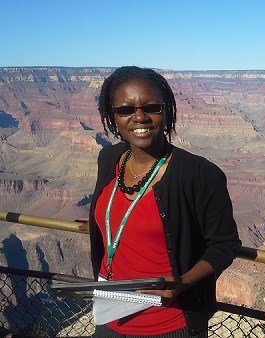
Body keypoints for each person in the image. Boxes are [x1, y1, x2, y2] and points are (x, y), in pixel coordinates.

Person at [89, 66, 241, 337]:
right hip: (110, 315)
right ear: (111, 117)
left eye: (152, 107)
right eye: (125, 109)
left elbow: (225, 245)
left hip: (168, 322)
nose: (139, 117)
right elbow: (115, 216)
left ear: (166, 111)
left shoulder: (198, 174)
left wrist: (182, 283)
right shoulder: (109, 159)